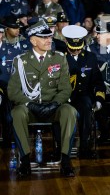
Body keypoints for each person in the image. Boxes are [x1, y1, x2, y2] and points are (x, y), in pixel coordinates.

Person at [8, 20, 77, 177]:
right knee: (17, 113)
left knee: (70, 111)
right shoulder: (21, 61)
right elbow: (12, 91)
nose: (49, 40)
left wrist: (54, 104)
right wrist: (29, 104)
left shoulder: (59, 58)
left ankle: (66, 161)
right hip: (30, 108)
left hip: (53, 108)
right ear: (33, 40)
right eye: (43, 37)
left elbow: (66, 89)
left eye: (50, 37)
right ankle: (25, 161)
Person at [62, 25, 105, 158]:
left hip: (83, 95)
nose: (76, 52)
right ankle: (61, 147)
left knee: (87, 108)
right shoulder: (59, 57)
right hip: (64, 96)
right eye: (73, 49)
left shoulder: (90, 57)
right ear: (67, 44)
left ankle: (85, 147)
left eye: (78, 49)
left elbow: (97, 80)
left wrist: (99, 99)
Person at [0, 23, 22, 148]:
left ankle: (7, 139)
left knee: (7, 107)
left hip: (7, 88)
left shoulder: (13, 50)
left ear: (2, 34)